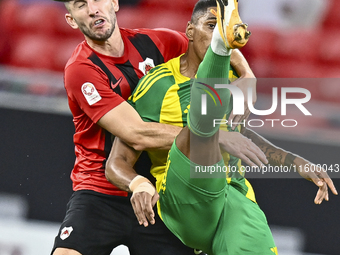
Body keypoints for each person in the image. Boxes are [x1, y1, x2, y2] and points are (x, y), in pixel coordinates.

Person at [105, 0, 338, 254]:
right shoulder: (157, 85)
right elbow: (116, 163)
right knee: (204, 129)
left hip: (234, 197)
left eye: (220, 28)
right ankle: (221, 49)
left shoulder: (234, 83)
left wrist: (295, 162)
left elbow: (240, 137)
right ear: (190, 31)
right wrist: (138, 183)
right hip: (186, 196)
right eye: (211, 25)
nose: (215, 30)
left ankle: (220, 54)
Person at [51, 0, 259, 254]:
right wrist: (215, 138)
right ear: (71, 19)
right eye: (81, 4)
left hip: (161, 193)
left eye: (98, 0)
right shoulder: (81, 69)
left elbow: (211, 40)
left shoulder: (158, 42)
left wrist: (247, 74)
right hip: (101, 191)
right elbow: (135, 133)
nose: (93, 9)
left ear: (114, 3)